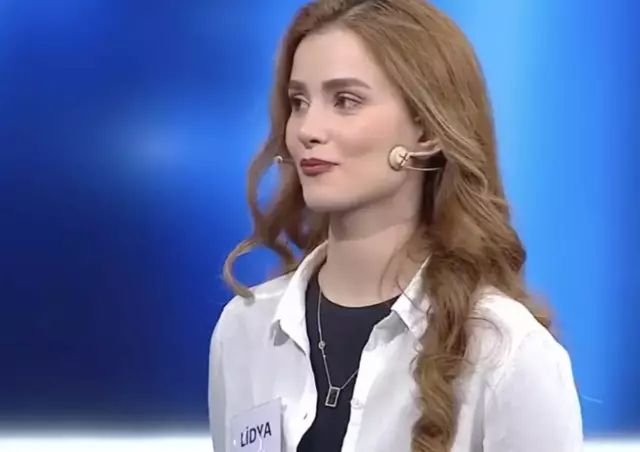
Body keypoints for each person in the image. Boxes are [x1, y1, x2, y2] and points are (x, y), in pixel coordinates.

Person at [209, 0, 583, 451]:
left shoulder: (507, 354)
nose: (307, 129)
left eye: (345, 101)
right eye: (298, 102)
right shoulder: (244, 329)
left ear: (427, 133)